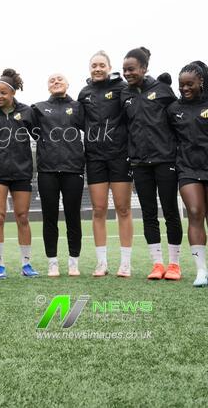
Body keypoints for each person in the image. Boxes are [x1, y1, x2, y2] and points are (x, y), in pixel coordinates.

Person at [121, 47, 183, 281]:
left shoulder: (163, 90)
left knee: (170, 212)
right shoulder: (123, 95)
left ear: (144, 68)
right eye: (125, 69)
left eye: (132, 69)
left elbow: (178, 119)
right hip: (139, 163)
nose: (127, 73)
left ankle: (174, 264)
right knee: (148, 213)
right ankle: (157, 264)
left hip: (165, 160)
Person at [168, 62, 208, 287]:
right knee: (195, 212)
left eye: (189, 84)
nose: (185, 88)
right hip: (187, 168)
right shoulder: (174, 109)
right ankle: (200, 270)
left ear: (201, 82)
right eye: (181, 85)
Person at [0, 68, 39, 279]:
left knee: (22, 217)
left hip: (22, 171)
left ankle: (26, 264)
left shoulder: (27, 112)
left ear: (13, 94)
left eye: (3, 93)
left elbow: (40, 134)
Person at [78, 51, 134, 277]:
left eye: (102, 65)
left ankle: (126, 263)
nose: (98, 68)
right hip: (95, 157)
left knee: (123, 209)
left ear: (110, 67)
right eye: (94, 65)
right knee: (98, 210)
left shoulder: (122, 88)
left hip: (120, 155)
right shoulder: (84, 93)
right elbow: (79, 122)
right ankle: (101, 263)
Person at [32, 73, 84, 277]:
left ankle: (73, 262)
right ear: (47, 86)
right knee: (49, 218)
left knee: (73, 217)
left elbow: (93, 126)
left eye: (60, 79)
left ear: (68, 84)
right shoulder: (38, 108)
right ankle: (52, 262)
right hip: (48, 170)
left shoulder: (79, 107)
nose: (55, 82)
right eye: (51, 80)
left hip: (73, 168)